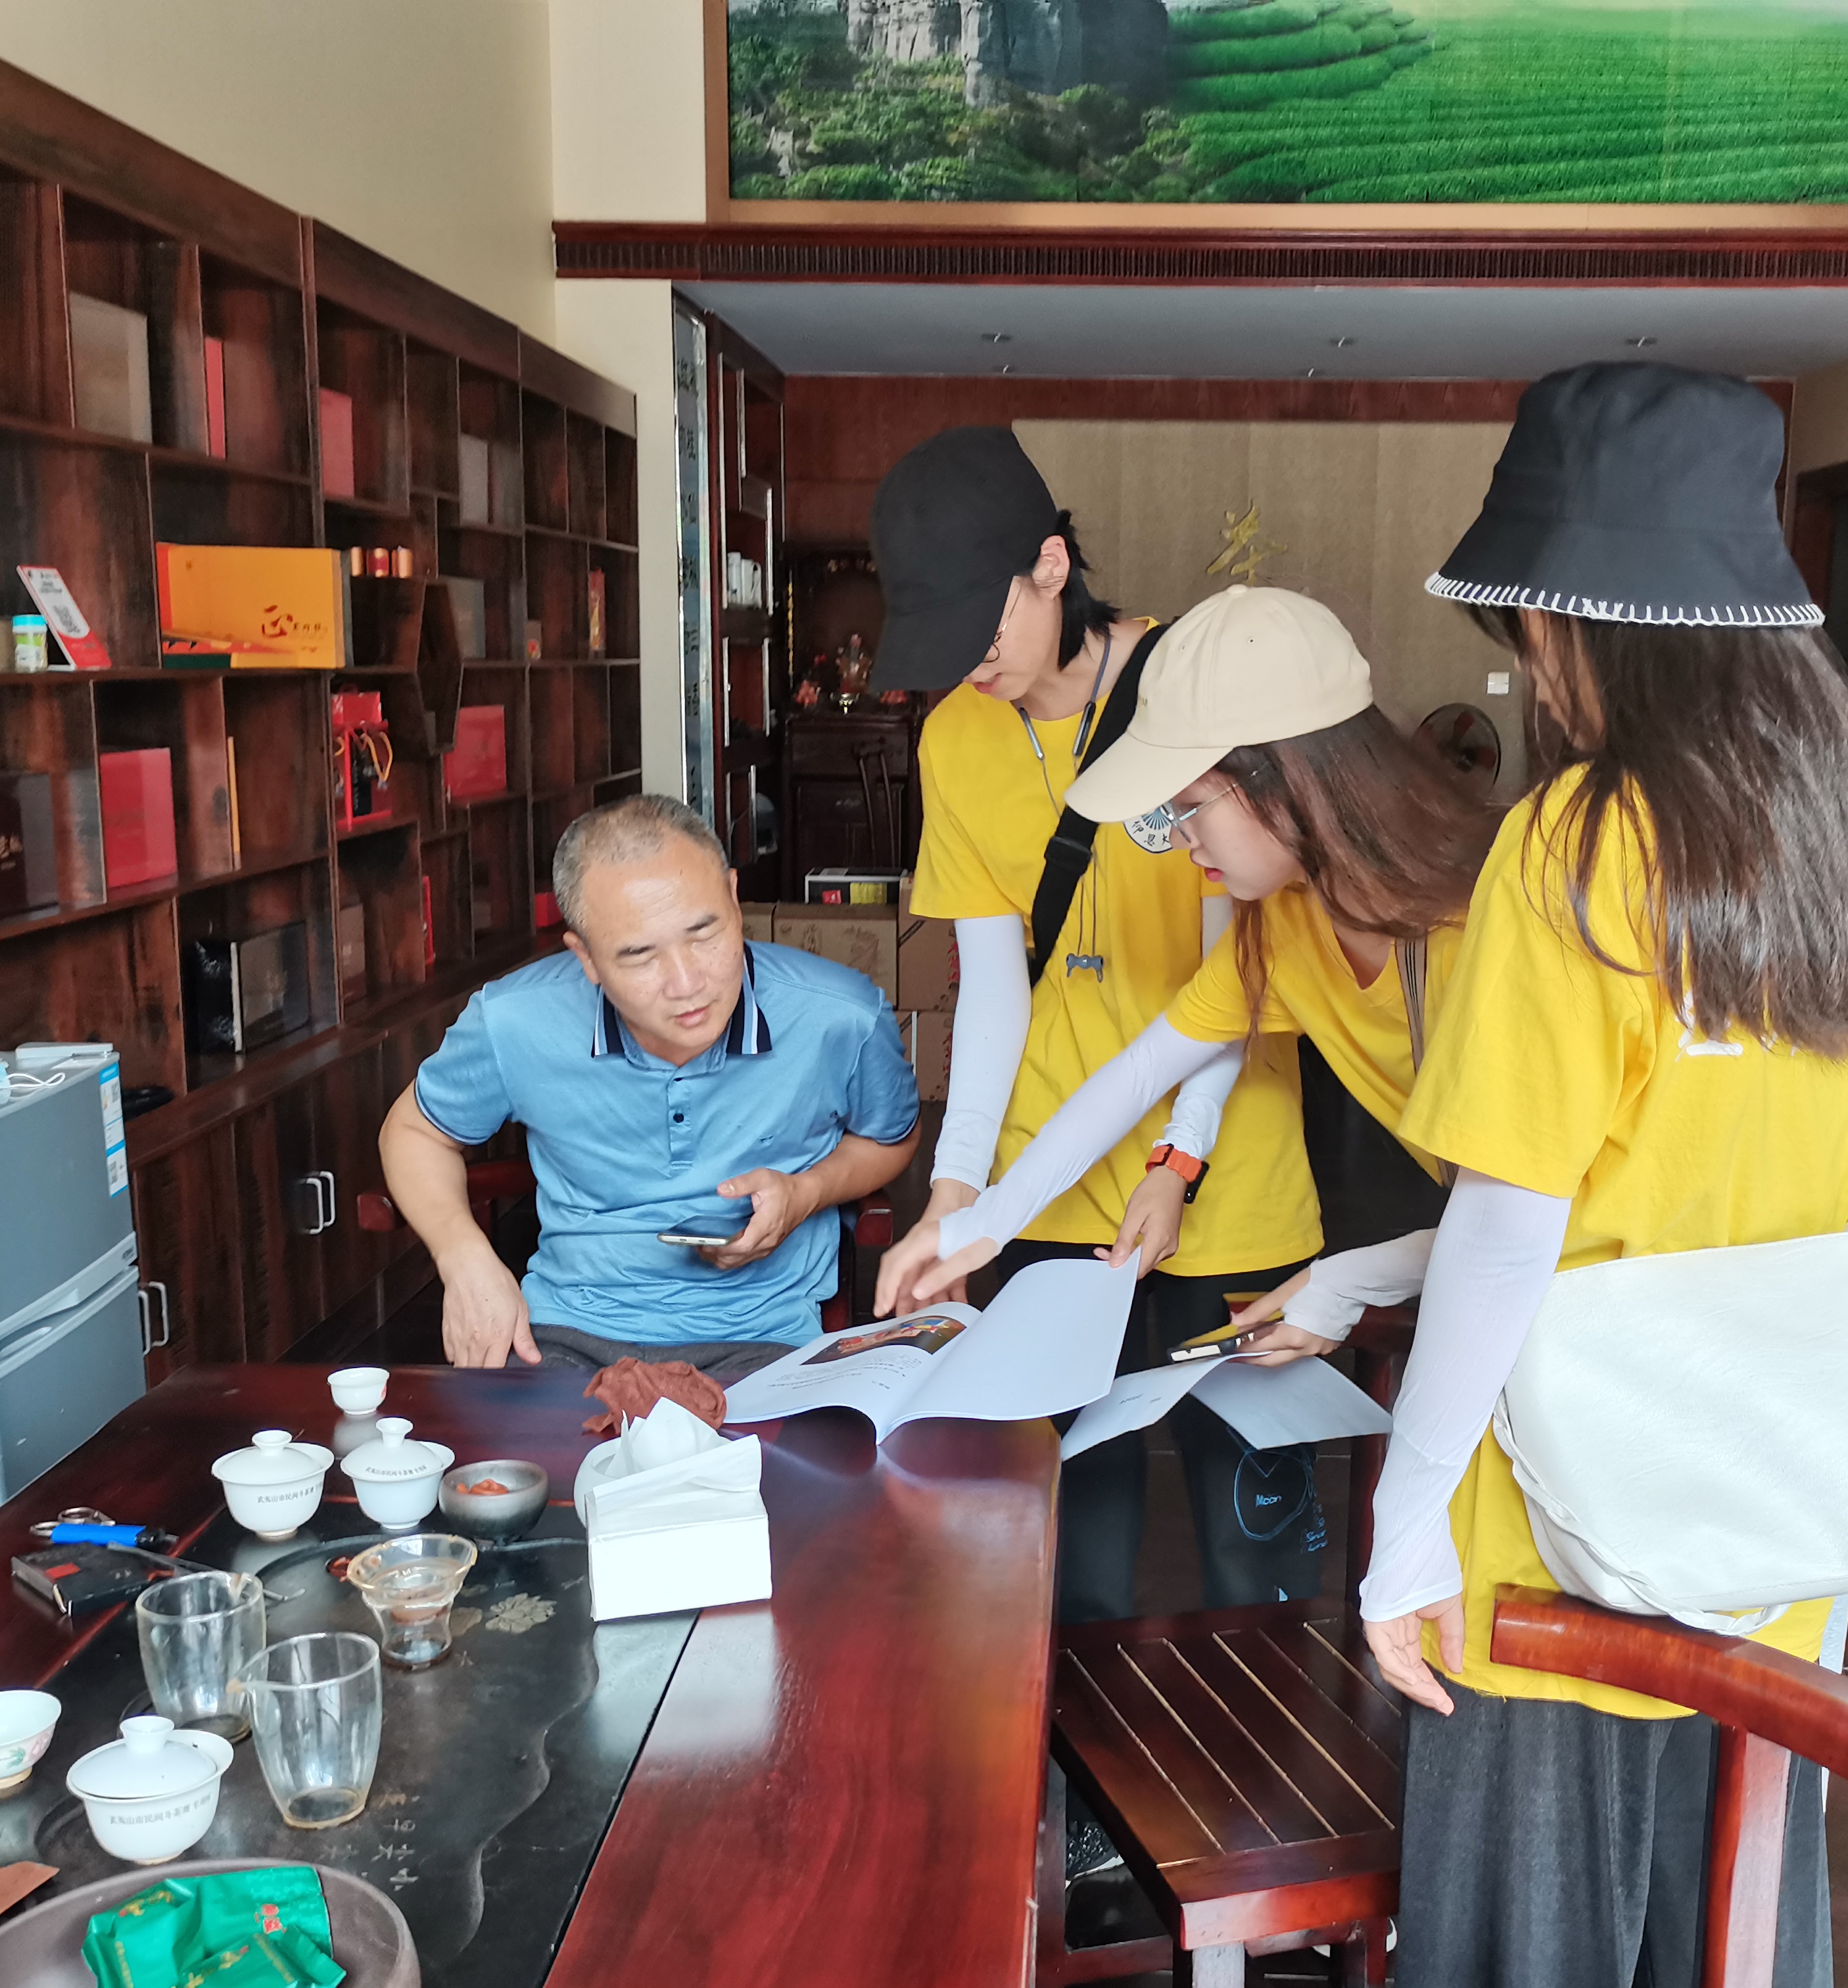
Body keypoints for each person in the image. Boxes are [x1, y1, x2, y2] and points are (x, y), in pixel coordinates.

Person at [1366, 363, 1848, 1988]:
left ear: (1576, 624)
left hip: (1559, 1511)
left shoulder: (1579, 844)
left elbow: (1509, 1227)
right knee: (1736, 1956)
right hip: (1774, 1488)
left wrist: (1403, 1528)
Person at [869, 429, 1324, 1621]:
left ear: (1052, 567)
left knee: (1256, 1540)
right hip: (1052, 1179)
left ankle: (1264, 1738)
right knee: (1071, 1539)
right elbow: (993, 984)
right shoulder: (955, 736)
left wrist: (1180, 1160)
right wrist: (960, 1188)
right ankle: (1077, 1750)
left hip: (1230, 1176)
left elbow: (1236, 975)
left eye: (981, 625)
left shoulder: (1193, 694)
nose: (968, 663)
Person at [879, 585, 1489, 1371]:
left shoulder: (1487, 926)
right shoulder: (1281, 927)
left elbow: (1539, 1213)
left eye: (1189, 807)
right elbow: (1137, 1074)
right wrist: (972, 1228)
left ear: (1286, 781)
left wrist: (1349, 1282)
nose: (1177, 842)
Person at [377, 795, 918, 1380]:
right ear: (586, 958)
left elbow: (891, 1139)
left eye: (704, 934)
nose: (686, 984)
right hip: (565, 1333)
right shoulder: (515, 1020)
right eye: (639, 956)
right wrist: (463, 1258)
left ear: (734, 898)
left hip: (763, 1337)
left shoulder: (841, 1016)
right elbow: (413, 1132)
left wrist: (806, 1193)